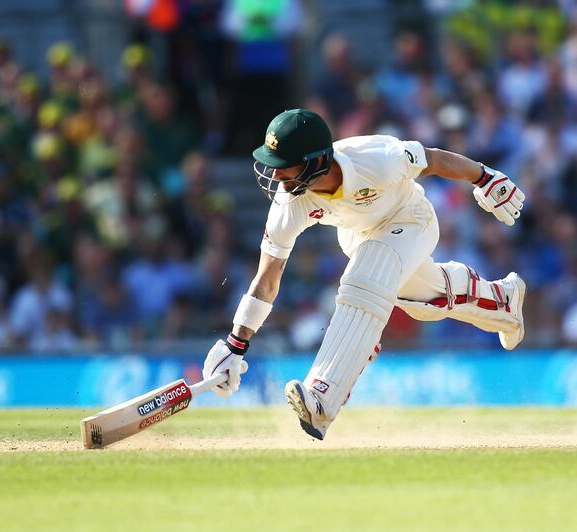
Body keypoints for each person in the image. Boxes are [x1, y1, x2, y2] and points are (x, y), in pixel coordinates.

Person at [202, 109, 527, 440]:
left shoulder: (377, 158)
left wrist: (485, 177)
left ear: (316, 162)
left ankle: (322, 398)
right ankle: (503, 302)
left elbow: (434, 159)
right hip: (360, 235)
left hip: (411, 219)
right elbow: (267, 278)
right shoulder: (290, 203)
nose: (275, 173)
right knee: (426, 299)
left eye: (283, 163)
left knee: (364, 281)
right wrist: (235, 344)